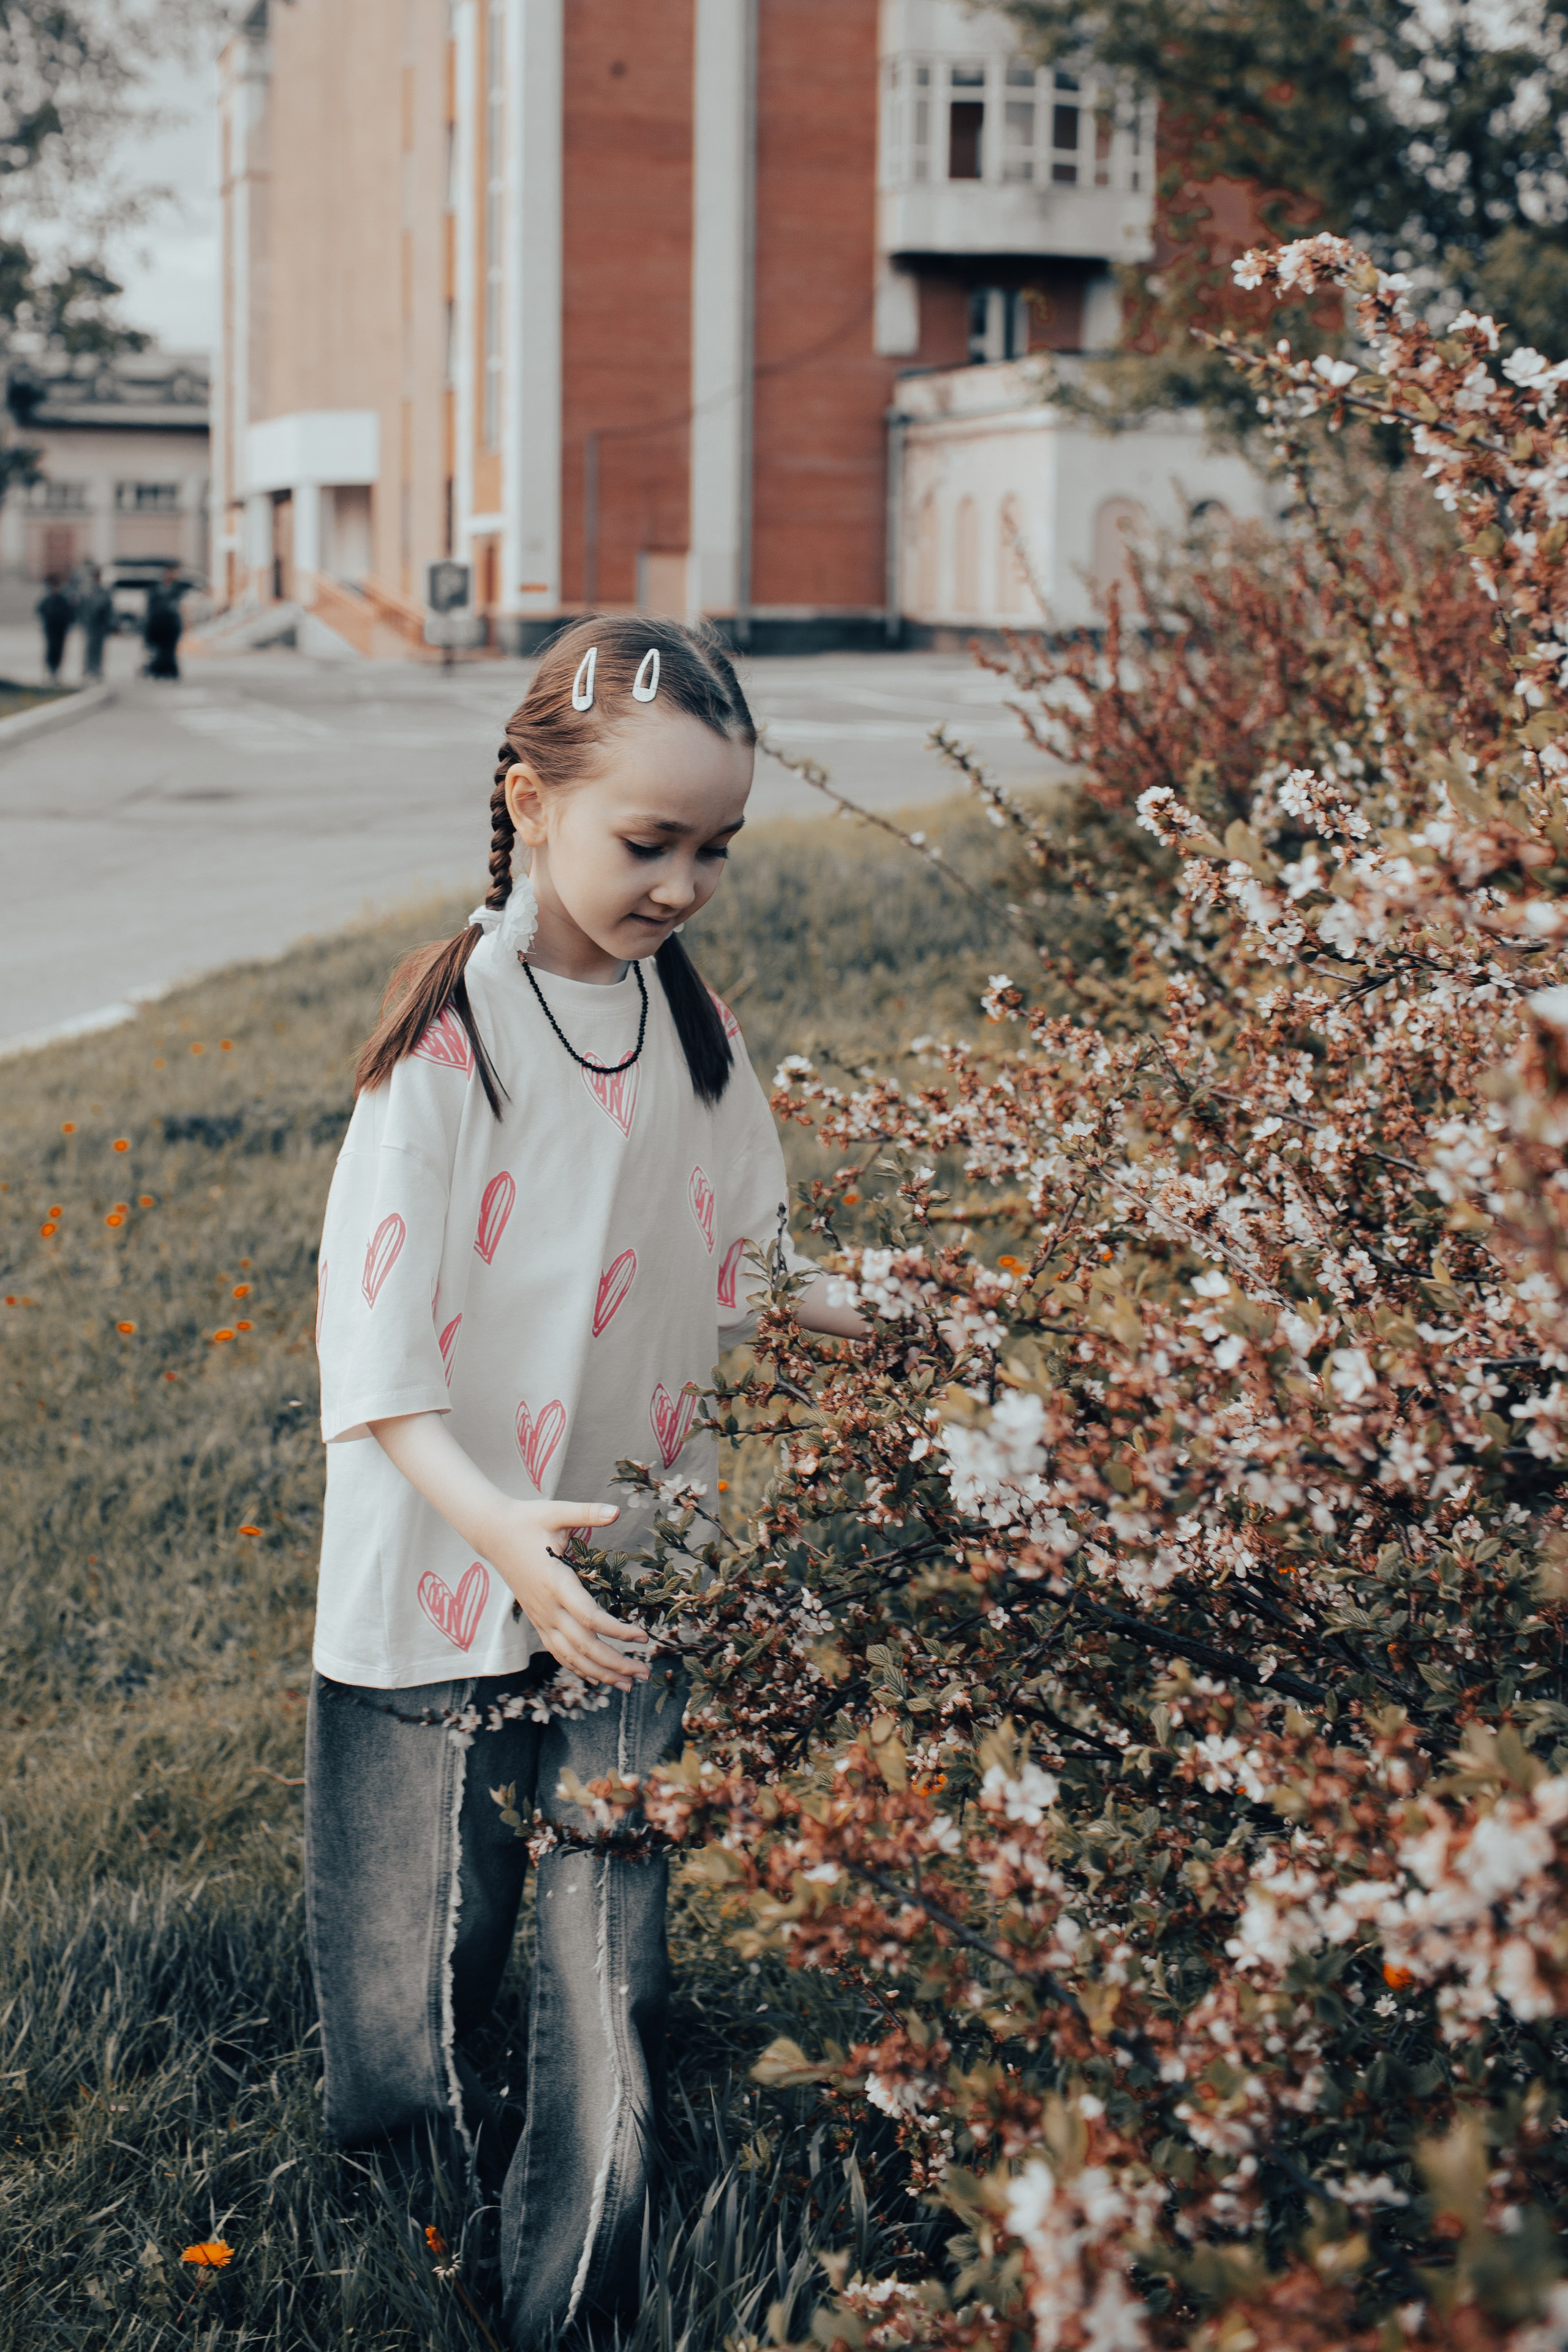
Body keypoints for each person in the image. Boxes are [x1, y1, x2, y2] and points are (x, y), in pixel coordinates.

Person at [307, 616, 866, 2346]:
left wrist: (907, 1322)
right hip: (442, 1564)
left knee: (599, 1948)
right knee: (421, 1948)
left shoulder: (692, 1029)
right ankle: (404, 2194)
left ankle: (580, 2291)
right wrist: (499, 1539)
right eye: (651, 841)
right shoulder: (451, 1041)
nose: (688, 882)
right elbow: (381, 1364)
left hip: (635, 1562)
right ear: (528, 801)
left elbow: (761, 1262)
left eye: (718, 848)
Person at [142, 563, 183, 679]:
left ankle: (168, 671)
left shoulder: (177, 589)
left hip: (171, 624)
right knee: (159, 649)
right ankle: (159, 670)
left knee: (170, 649)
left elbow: (178, 607)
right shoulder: (156, 588)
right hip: (158, 623)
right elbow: (150, 607)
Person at [77, 565, 115, 682]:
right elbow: (81, 608)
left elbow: (109, 608)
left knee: (99, 648)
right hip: (90, 624)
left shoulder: (103, 591)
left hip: (100, 624)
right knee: (89, 647)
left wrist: (110, 623)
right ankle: (88, 670)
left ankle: (97, 670)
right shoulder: (86, 591)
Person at [36, 576, 74, 682]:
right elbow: (40, 610)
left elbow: (69, 613)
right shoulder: (47, 599)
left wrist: (67, 622)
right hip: (51, 628)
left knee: (59, 649)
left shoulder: (63, 599)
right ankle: (50, 670)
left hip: (61, 628)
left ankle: (56, 671)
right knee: (51, 648)